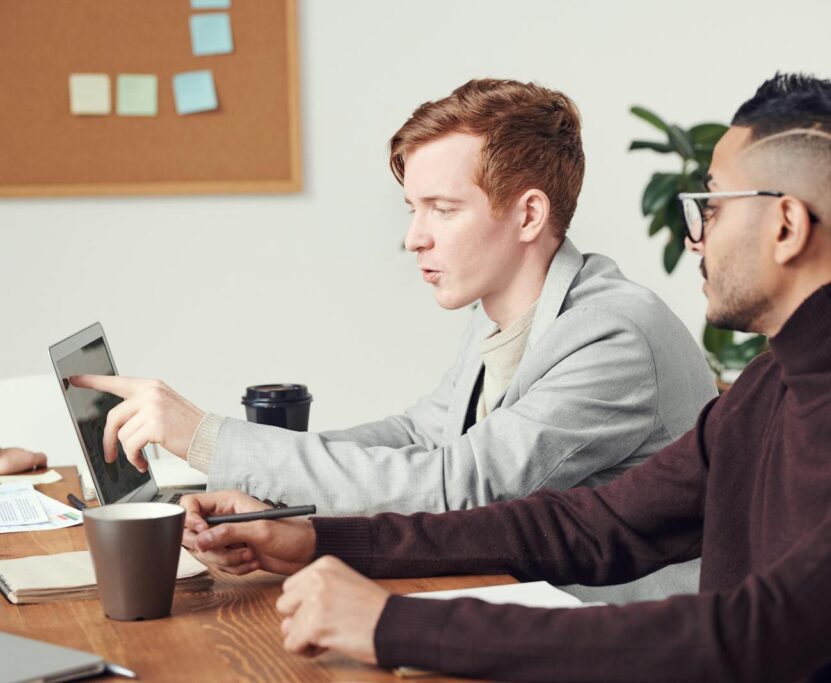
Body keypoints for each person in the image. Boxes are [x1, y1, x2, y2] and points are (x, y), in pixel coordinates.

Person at [182, 73, 831, 682]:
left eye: (711, 206)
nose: (694, 235)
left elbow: (753, 639)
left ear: (787, 225)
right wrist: (319, 536)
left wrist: (399, 624)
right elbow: (586, 527)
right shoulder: (774, 387)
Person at [74, 79, 718, 601]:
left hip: (619, 641)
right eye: (413, 209)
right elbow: (419, 435)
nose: (414, 237)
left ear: (528, 214)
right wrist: (261, 498)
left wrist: (208, 437)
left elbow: (461, 484)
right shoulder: (502, 308)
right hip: (512, 599)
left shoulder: (613, 335)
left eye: (441, 208)